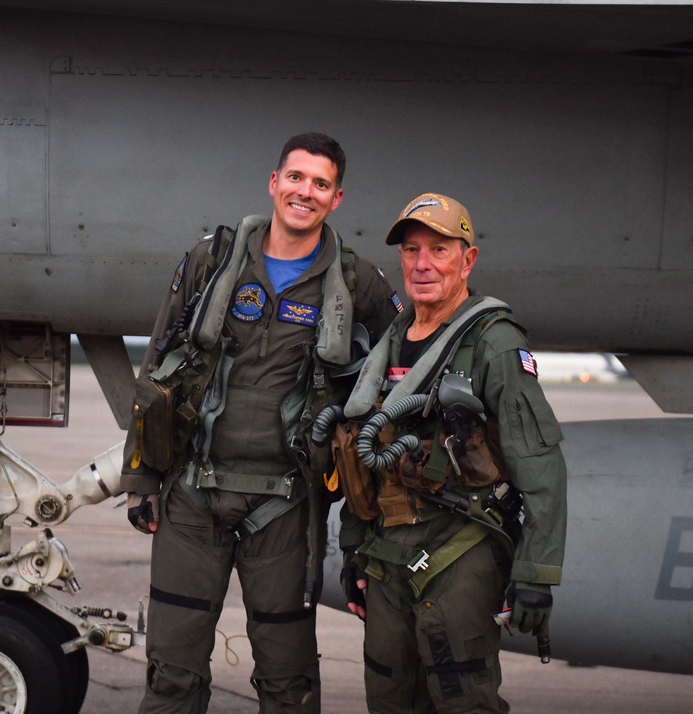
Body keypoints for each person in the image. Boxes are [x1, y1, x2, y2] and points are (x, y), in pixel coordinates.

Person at [121, 133, 400, 713]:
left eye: (320, 184)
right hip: (192, 496)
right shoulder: (211, 261)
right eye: (295, 178)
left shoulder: (359, 282)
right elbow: (157, 367)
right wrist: (143, 478)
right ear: (274, 183)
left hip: (285, 507)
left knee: (288, 682)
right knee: (171, 673)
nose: (305, 192)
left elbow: (395, 371)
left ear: (336, 198)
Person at [335, 193, 567, 713]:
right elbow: (363, 453)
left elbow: (542, 463)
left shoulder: (493, 344)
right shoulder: (388, 345)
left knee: (463, 699)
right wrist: (354, 548)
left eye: (440, 250)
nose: (422, 264)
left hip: (459, 549)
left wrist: (536, 574)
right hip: (387, 551)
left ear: (468, 259)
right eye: (412, 250)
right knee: (389, 696)